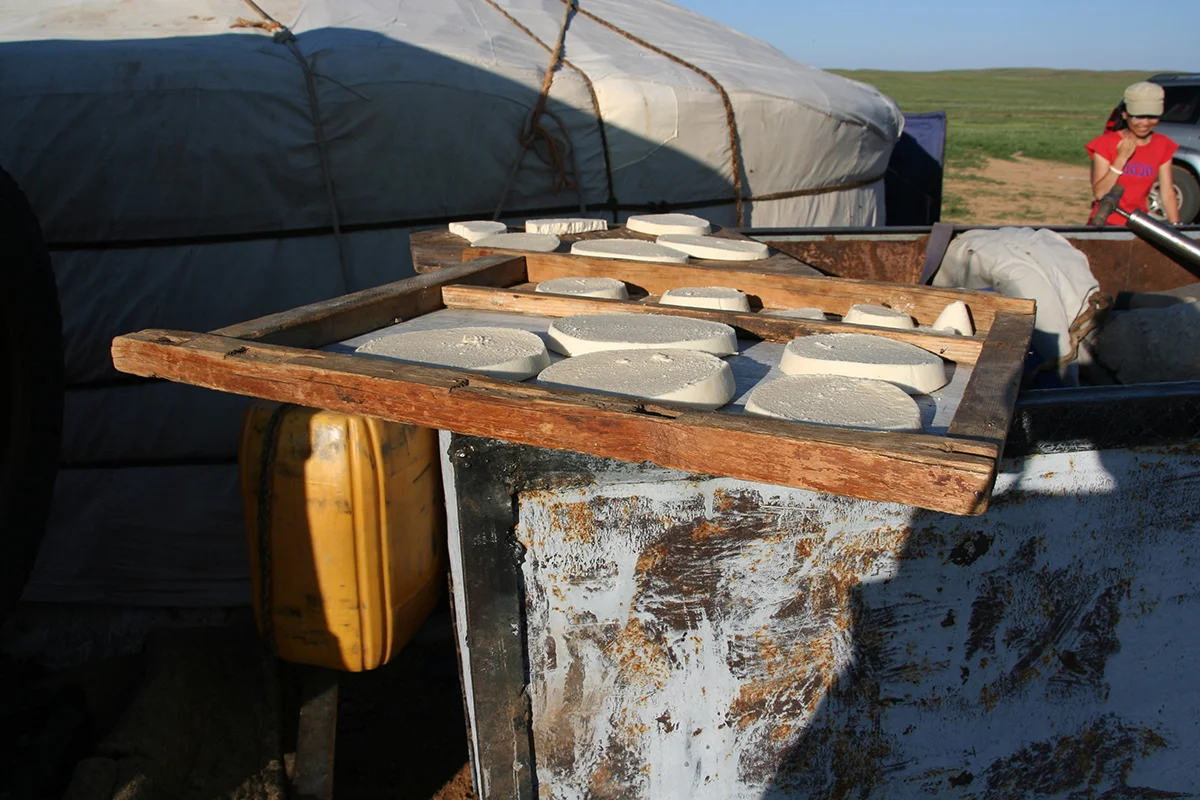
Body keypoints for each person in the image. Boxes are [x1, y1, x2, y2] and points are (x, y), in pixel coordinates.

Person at [1086, 81, 1180, 226]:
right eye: (1138, 117)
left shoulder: (1163, 145)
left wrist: (1176, 226)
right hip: (1105, 223)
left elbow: (1167, 193)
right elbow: (1100, 193)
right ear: (1125, 115)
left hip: (1138, 224)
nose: (1145, 123)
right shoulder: (1105, 144)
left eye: (1152, 117)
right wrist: (1121, 158)